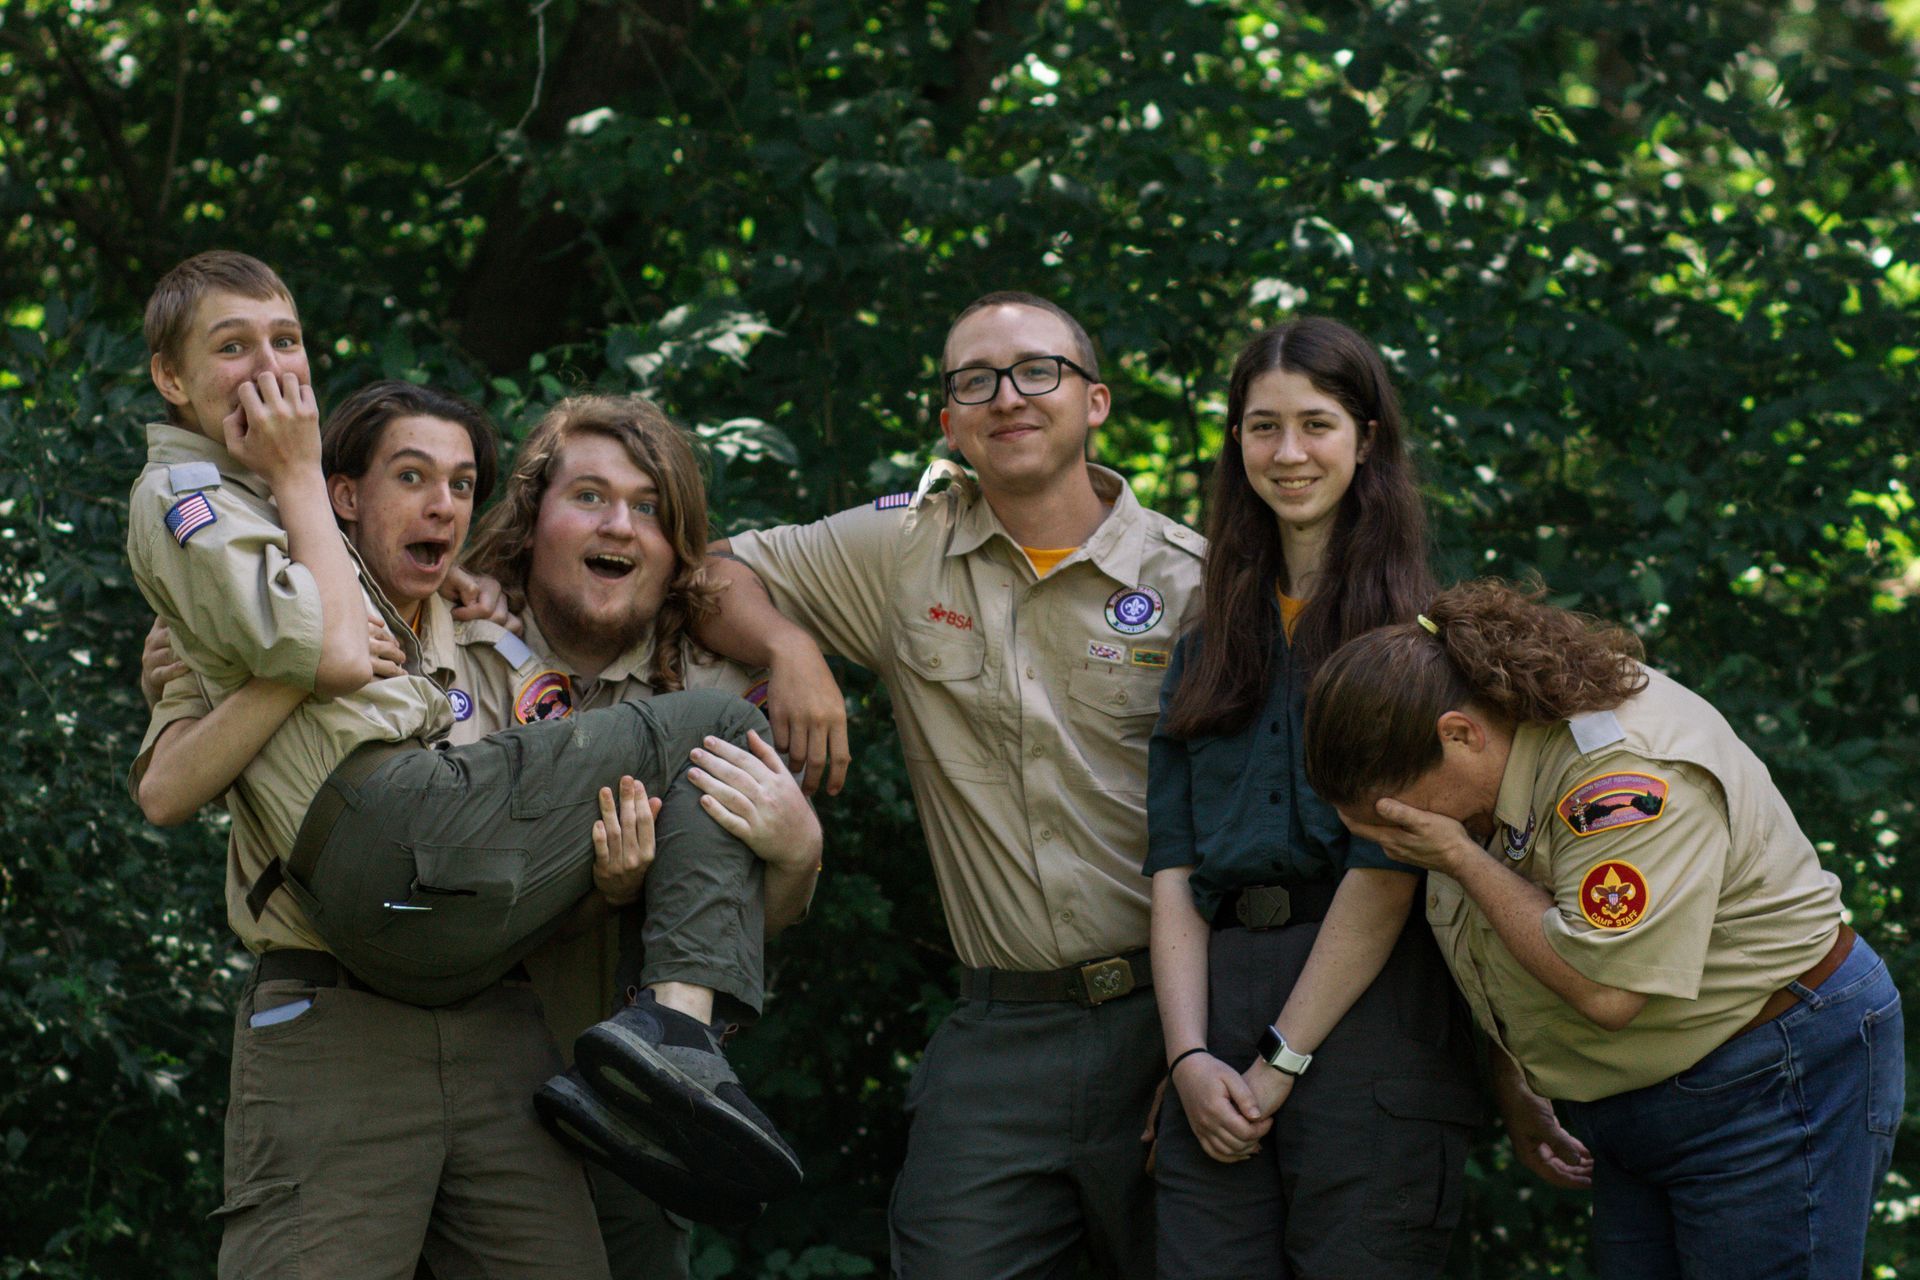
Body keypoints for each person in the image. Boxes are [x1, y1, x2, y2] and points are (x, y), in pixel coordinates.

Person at [126, 251, 799, 1277]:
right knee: (706, 723)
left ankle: (674, 1048)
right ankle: (678, 1035)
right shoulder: (230, 572)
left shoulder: (479, 627)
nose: (441, 505)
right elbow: (169, 785)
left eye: (461, 485)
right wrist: (285, 675)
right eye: (410, 477)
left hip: (490, 1003)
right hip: (335, 998)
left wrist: (616, 881)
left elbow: (498, 849)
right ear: (342, 494)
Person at [696, 291, 1205, 1277]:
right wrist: (789, 643)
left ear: (1095, 400)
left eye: (1037, 371)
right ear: (949, 422)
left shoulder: (1193, 582)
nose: (1006, 396)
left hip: (1173, 1011)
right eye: (975, 379)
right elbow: (711, 569)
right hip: (999, 1030)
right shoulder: (902, 551)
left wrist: (1202, 1041)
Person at [1301, 579, 1905, 1280]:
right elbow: (1505, 932)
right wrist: (1518, 1071)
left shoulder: (1622, 777)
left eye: (1396, 820)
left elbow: (1606, 988)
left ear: (1459, 734)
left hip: (1771, 1073)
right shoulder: (1488, 752)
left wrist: (1460, 856)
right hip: (1642, 1096)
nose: (1390, 840)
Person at [1145, 319, 1478, 1277]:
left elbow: (1388, 871)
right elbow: (1173, 868)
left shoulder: (1421, 641)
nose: (1288, 454)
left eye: (1317, 424)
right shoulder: (1204, 649)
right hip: (1215, 1009)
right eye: (1262, 427)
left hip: (1371, 1014)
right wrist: (1188, 1061)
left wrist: (1278, 1063)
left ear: (1367, 438)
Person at [458, 392, 822, 1261]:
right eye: (588, 496)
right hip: (465, 1059)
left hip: (635, 1096)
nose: (619, 524)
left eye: (649, 507)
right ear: (530, 520)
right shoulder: (454, 633)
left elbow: (735, 911)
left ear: (675, 548)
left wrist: (799, 857)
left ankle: (677, 1052)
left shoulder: (714, 686)